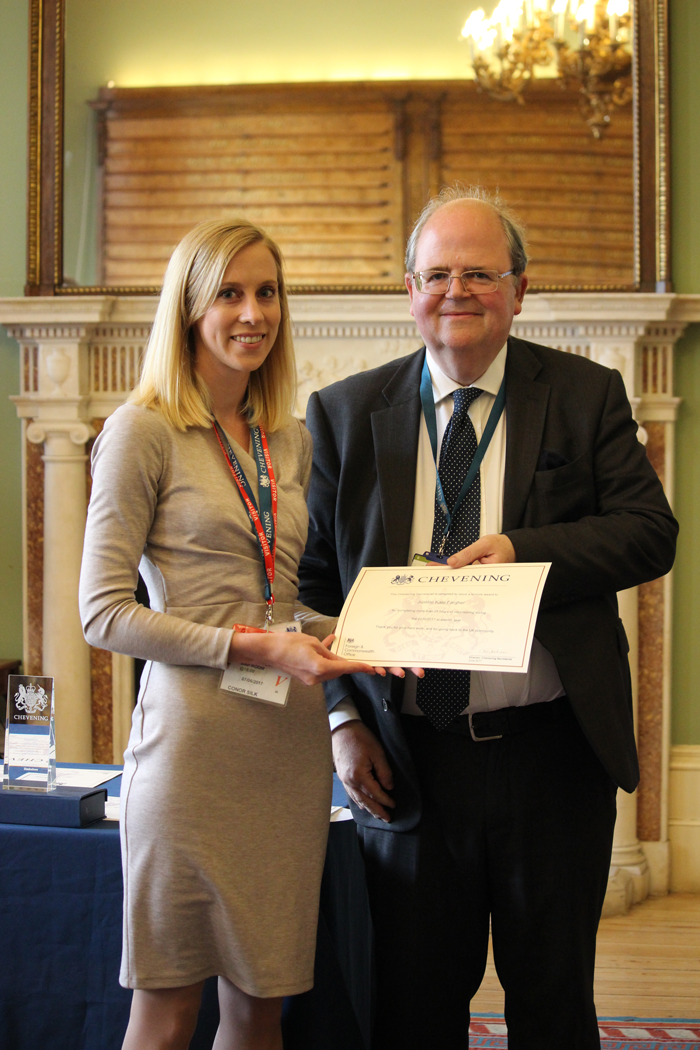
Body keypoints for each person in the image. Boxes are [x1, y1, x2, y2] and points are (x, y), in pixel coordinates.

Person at [298, 186, 678, 1049]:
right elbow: (313, 586)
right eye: (436, 274)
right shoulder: (347, 414)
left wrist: (522, 551)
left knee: (553, 1007)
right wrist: (340, 721)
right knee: (413, 1009)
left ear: (519, 287)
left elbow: (650, 534)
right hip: (406, 763)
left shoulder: (586, 395)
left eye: (479, 273)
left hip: (551, 757)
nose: (456, 292)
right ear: (408, 290)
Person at [79, 218, 382, 1050]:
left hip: (284, 755)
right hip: (191, 754)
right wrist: (255, 648)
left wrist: (374, 629)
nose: (254, 313)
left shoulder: (287, 438)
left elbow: (277, 602)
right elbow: (103, 614)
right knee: (169, 1003)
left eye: (268, 292)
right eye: (231, 293)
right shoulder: (141, 432)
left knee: (261, 1004)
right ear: (189, 307)